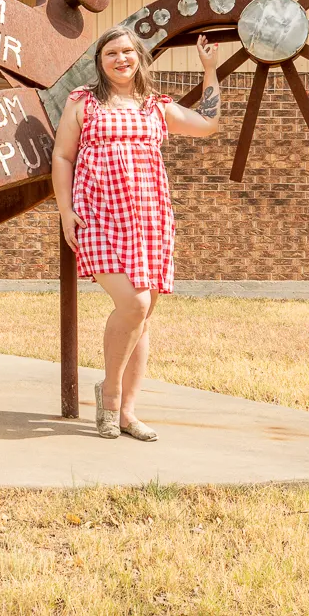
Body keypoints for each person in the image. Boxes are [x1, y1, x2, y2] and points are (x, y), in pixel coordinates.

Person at [51, 25, 221, 439]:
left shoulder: (155, 106)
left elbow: (208, 123)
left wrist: (209, 69)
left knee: (141, 316)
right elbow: (62, 155)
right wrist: (65, 210)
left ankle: (127, 413)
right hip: (98, 216)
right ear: (100, 62)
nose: (120, 59)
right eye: (111, 53)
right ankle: (109, 394)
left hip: (149, 218)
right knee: (134, 304)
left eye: (127, 51)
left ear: (139, 58)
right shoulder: (83, 102)